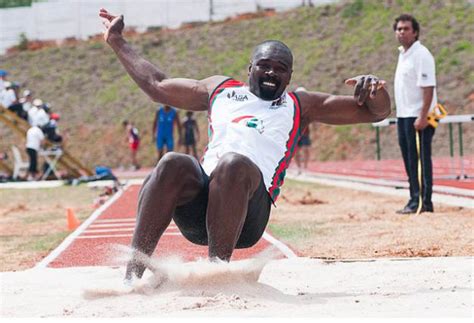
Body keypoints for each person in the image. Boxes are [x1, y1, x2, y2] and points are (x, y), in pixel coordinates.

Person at [99, 8, 391, 281]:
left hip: (248, 213)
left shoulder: (301, 105)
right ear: (250, 67)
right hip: (200, 208)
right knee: (172, 162)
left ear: (290, 76)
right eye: (264, 65)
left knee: (233, 163)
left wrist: (374, 90)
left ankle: (217, 274)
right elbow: (157, 86)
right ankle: (132, 276)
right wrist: (117, 41)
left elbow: (375, 112)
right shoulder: (220, 90)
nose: (271, 73)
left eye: (281, 68)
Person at [393, 14, 437, 214]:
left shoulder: (422, 54)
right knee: (409, 159)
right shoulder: (403, 54)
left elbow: (428, 88)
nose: (401, 32)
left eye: (406, 29)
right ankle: (413, 198)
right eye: (399, 29)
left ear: (415, 32)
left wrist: (423, 116)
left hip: (418, 115)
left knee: (420, 159)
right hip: (403, 115)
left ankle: (423, 202)